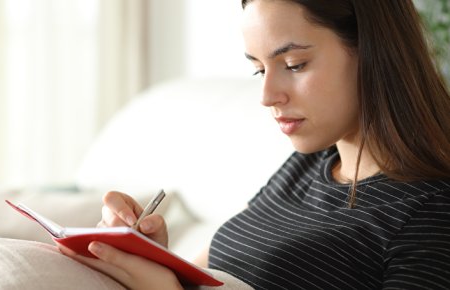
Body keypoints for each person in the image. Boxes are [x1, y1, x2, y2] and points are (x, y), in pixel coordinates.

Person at [57, 0, 450, 289]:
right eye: (258, 69)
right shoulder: (307, 167)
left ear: (374, 54)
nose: (266, 95)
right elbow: (206, 276)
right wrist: (149, 256)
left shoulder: (431, 211)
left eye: (294, 64)